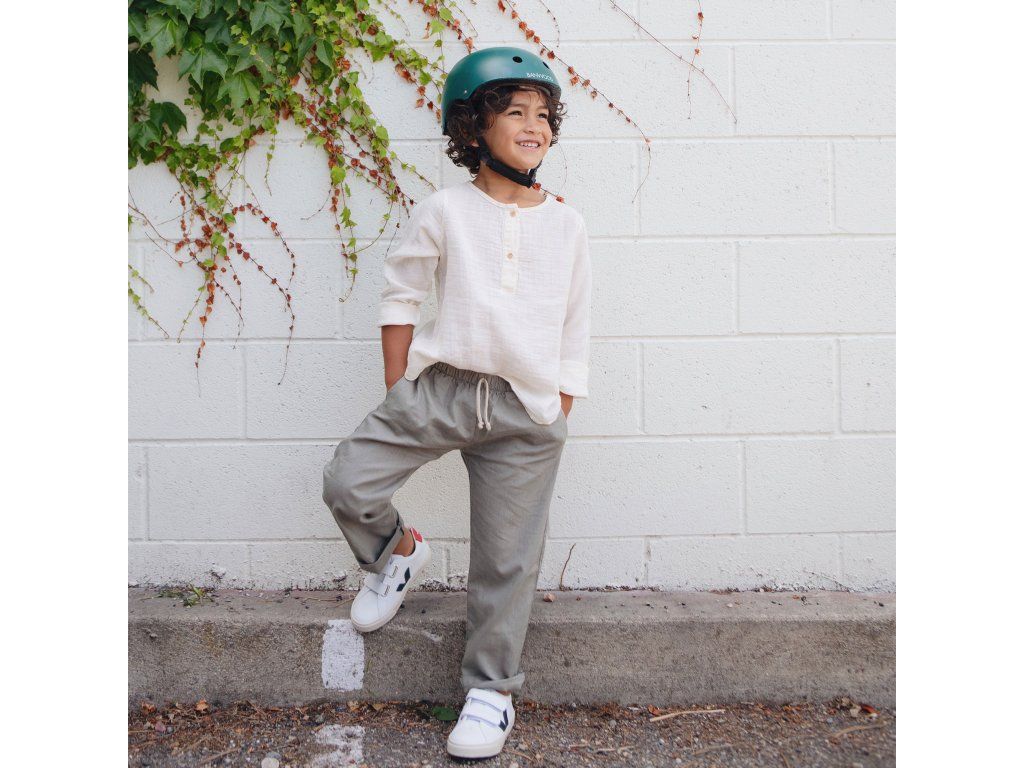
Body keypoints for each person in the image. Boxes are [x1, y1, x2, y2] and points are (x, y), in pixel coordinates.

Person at [321, 45, 591, 760]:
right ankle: (397, 554)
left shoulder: (567, 223)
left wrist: (560, 402)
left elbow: (575, 319)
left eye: (544, 115)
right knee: (348, 481)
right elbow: (401, 294)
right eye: (515, 112)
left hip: (525, 410)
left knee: (506, 560)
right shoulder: (445, 209)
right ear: (474, 127)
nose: (534, 126)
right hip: (441, 388)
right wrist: (399, 386)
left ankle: (490, 693)